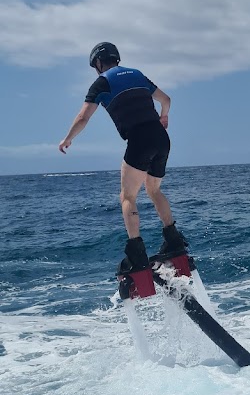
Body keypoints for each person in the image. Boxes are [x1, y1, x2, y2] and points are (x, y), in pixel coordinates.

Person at [58, 42, 187, 270]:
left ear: (98, 63)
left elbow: (83, 117)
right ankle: (174, 241)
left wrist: (68, 138)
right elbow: (166, 100)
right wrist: (164, 117)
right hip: (161, 138)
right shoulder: (137, 74)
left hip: (140, 140)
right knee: (154, 189)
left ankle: (136, 254)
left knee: (127, 197)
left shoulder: (102, 82)